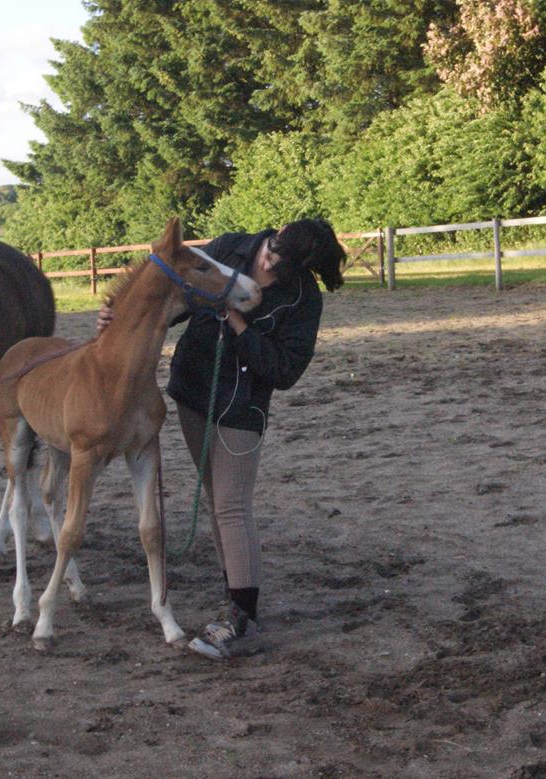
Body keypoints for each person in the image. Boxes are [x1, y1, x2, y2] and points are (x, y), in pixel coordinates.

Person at [97, 218, 346, 659]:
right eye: (271, 250)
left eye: (279, 264)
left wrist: (238, 324)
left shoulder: (303, 299)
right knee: (217, 502)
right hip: (192, 392)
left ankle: (243, 618)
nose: (267, 262)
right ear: (277, 232)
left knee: (232, 506)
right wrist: (121, 319)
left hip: (240, 408)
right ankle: (233, 592)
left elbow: (286, 370)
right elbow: (178, 296)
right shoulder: (231, 247)